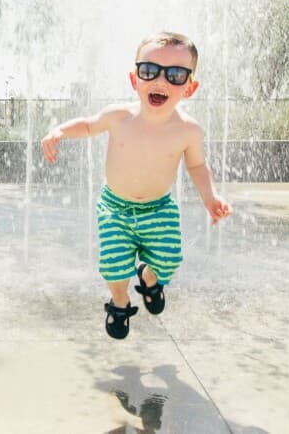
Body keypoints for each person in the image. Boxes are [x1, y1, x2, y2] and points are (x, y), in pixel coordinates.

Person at [41, 32, 232, 339]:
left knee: (169, 259)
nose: (160, 81)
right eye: (149, 71)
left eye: (175, 75)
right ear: (134, 79)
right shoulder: (120, 117)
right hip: (115, 206)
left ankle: (149, 277)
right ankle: (119, 302)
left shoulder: (189, 130)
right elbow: (89, 125)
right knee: (114, 265)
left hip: (159, 207)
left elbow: (196, 165)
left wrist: (210, 198)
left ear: (190, 87)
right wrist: (59, 131)